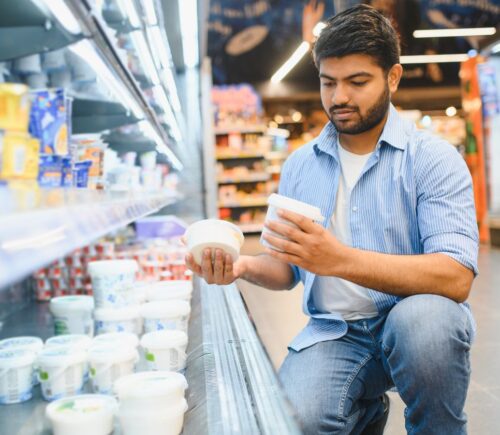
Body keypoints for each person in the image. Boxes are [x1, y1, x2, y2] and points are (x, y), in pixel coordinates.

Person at [186, 4, 478, 434]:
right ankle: (364, 411)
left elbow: (455, 276)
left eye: (357, 82)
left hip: (412, 321)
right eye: (328, 82)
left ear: (392, 78)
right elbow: (286, 270)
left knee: (427, 326)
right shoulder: (301, 166)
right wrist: (241, 265)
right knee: (296, 420)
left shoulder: (433, 160)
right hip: (335, 333)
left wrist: (337, 259)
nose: (339, 97)